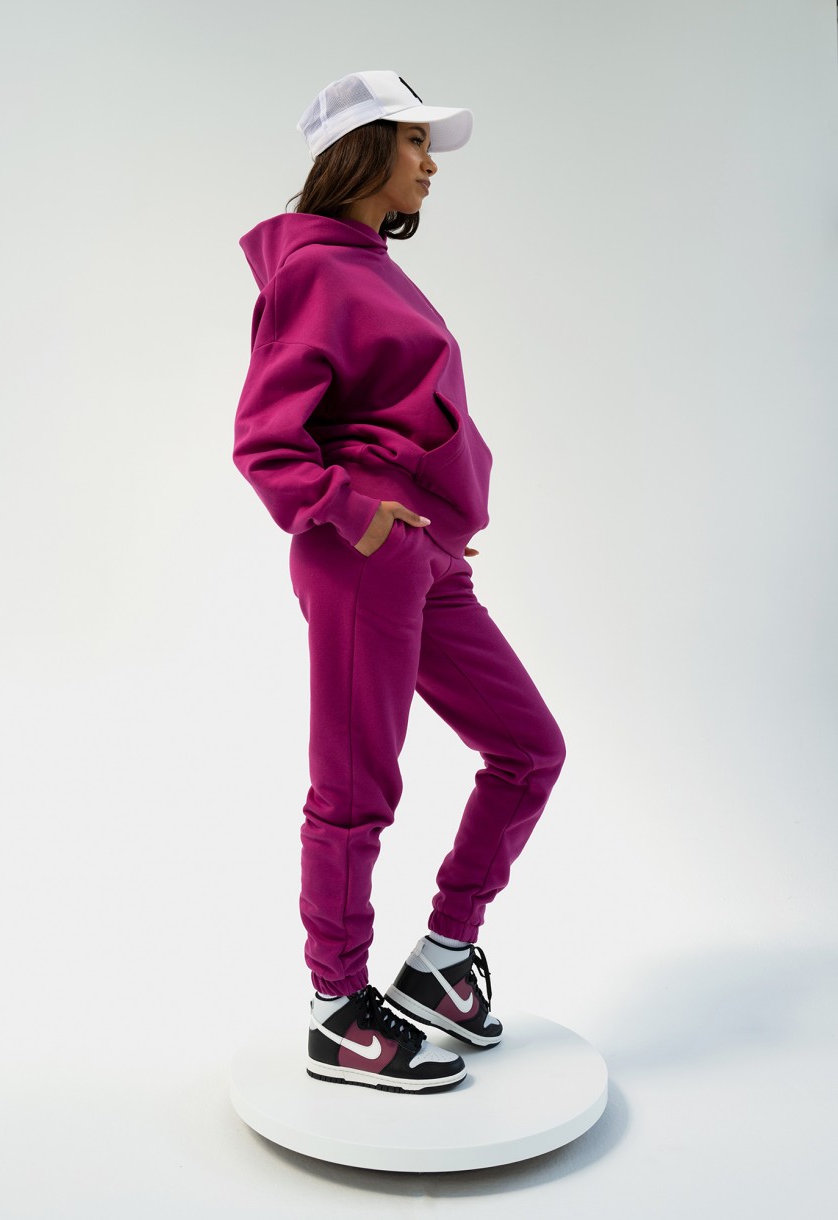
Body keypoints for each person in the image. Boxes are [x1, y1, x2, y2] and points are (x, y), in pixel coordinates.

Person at [233, 70, 566, 1094]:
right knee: (356, 786)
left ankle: (439, 960)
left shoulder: (371, 267)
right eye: (415, 142)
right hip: (362, 552)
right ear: (364, 148)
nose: (430, 165)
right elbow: (265, 440)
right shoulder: (315, 270)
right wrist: (359, 510)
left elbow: (403, 416)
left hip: (421, 555)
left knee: (528, 748)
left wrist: (434, 519)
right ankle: (337, 1007)